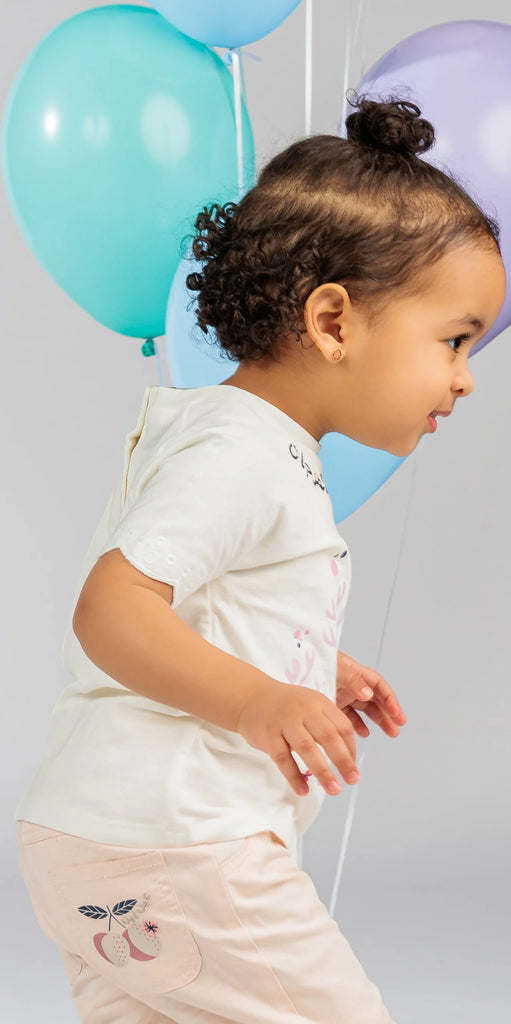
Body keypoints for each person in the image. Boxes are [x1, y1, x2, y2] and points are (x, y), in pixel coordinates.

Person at [15, 93, 506, 1024]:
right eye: (452, 339)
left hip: (91, 840)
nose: (465, 376)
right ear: (331, 322)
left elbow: (196, 605)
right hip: (183, 841)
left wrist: (308, 664)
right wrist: (257, 700)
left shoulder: (227, 436)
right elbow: (112, 609)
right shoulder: (243, 452)